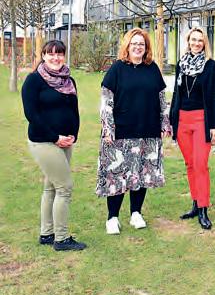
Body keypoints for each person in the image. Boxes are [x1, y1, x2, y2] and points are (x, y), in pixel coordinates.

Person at [97, 28, 171, 235]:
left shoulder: (152, 69)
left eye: (141, 44)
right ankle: (112, 218)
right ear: (127, 46)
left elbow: (162, 99)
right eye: (134, 43)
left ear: (146, 47)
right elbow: (106, 102)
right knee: (117, 175)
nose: (138, 47)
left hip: (147, 130)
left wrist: (165, 122)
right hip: (120, 132)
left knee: (142, 173)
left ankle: (136, 213)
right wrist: (107, 128)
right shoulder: (117, 69)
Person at [21, 40, 86, 251]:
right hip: (44, 141)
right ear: (43, 55)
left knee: (51, 188)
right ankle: (62, 238)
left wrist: (73, 134)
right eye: (51, 54)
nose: (56, 58)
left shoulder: (69, 80)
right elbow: (31, 114)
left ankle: (47, 234)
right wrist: (55, 137)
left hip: (66, 140)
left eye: (60, 54)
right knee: (64, 187)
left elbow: (74, 109)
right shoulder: (33, 80)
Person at [170, 27, 215, 230]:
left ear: (205, 43)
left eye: (200, 40)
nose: (196, 43)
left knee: (200, 164)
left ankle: (203, 209)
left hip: (202, 120)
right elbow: (176, 94)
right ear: (188, 41)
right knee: (190, 164)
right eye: (193, 39)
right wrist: (172, 121)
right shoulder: (181, 64)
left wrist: (214, 126)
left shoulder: (212, 66)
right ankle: (195, 203)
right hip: (182, 120)